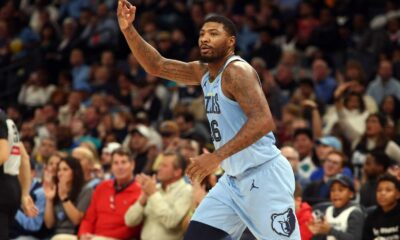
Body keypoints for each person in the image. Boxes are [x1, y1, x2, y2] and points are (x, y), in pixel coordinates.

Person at [117, 1, 300, 239]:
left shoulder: (237, 72)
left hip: (263, 175)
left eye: (214, 34)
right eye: (202, 34)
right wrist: (128, 29)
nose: (204, 38)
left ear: (231, 41)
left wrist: (215, 157)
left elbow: (263, 121)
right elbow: (157, 65)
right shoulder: (203, 73)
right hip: (233, 181)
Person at [124, 151, 192, 240]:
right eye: (159, 164)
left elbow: (171, 222)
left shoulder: (187, 191)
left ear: (177, 172)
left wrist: (153, 194)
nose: (158, 168)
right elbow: (129, 221)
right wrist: (144, 198)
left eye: (164, 166)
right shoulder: (154, 188)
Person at [78, 148, 141, 240]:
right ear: (111, 167)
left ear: (132, 165)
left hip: (117, 238)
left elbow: (133, 228)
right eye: (116, 163)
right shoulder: (102, 187)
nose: (120, 167)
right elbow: (89, 219)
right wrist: (84, 234)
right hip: (93, 237)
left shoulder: (140, 191)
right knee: (59, 238)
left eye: (123, 162)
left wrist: (98, 237)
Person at [0, 110, 38, 239]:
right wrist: (25, 194)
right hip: (11, 186)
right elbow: (25, 158)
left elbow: (2, 154)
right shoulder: (8, 121)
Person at [308, 175, 364, 240]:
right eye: (332, 190)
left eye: (341, 190)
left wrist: (330, 230)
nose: (336, 193)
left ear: (351, 194)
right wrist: (316, 232)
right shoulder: (328, 210)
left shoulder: (355, 212)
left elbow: (354, 238)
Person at [362, 174, 400, 240]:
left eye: (388, 190)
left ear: (398, 194)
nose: (382, 193)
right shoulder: (371, 216)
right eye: (379, 190)